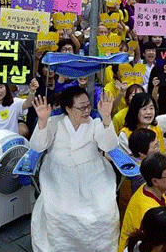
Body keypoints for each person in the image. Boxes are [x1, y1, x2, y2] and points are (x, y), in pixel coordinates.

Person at [29, 87, 119, 252]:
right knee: (59, 210)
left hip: (93, 173)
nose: (86, 111)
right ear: (68, 109)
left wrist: (106, 118)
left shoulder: (95, 123)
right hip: (59, 174)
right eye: (81, 107)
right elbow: (37, 146)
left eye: (88, 106)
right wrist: (41, 121)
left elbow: (109, 145)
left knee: (104, 210)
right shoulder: (55, 123)